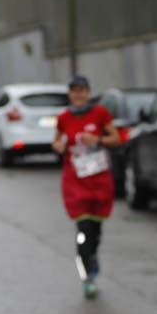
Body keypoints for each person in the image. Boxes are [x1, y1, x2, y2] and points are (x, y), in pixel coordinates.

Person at [51, 75, 121, 299]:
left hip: (99, 181)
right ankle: (87, 275)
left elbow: (117, 138)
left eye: (82, 90)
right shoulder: (63, 118)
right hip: (75, 182)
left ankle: (92, 256)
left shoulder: (99, 113)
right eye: (74, 91)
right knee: (83, 230)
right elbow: (57, 141)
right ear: (69, 94)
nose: (78, 95)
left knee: (96, 232)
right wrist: (59, 145)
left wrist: (98, 140)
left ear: (88, 93)